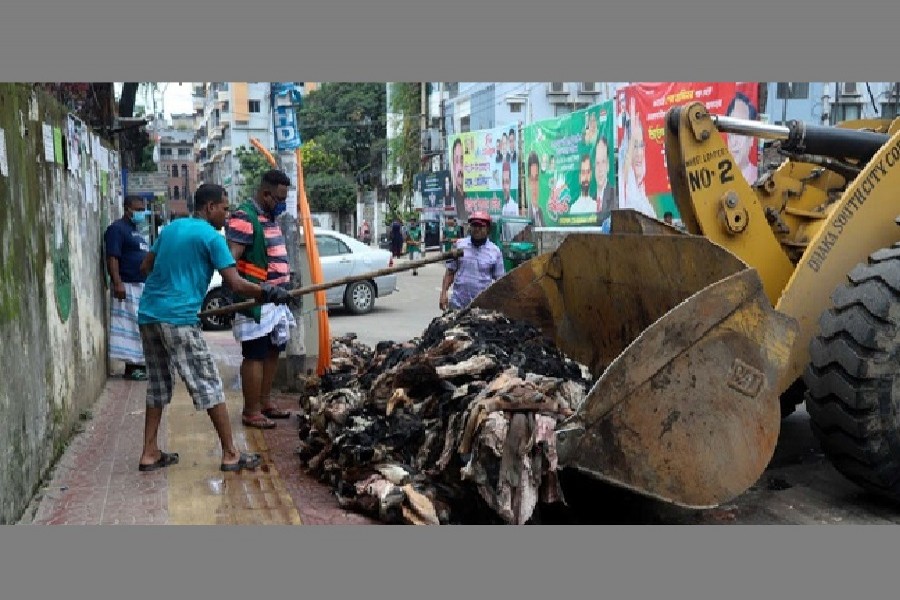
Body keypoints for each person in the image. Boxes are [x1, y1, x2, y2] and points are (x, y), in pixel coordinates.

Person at [136, 183, 292, 473]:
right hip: (178, 319)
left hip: (148, 316)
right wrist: (268, 292)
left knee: (157, 384)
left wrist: (171, 280)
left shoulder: (170, 229)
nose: (227, 213)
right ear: (209, 207)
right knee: (209, 384)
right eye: (224, 207)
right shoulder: (212, 237)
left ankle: (149, 452)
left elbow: (146, 266)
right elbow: (235, 284)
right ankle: (231, 454)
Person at [225, 169, 296, 430]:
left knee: (272, 350)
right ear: (265, 194)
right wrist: (257, 289)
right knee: (254, 353)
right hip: (255, 300)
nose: (282, 204)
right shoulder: (245, 217)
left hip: (275, 300)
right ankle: (251, 411)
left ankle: (265, 403)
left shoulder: (268, 216)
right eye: (279, 198)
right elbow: (231, 261)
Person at [104, 195, 151, 381]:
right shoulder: (117, 229)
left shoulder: (136, 231)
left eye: (142, 209)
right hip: (127, 285)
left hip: (141, 285)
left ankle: (139, 364)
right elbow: (112, 257)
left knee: (138, 326)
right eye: (137, 209)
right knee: (130, 327)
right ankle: (132, 368)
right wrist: (117, 282)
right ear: (127, 209)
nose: (140, 213)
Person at [439, 211, 505, 311]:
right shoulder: (460, 245)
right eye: (474, 225)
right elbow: (450, 272)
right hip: (458, 304)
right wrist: (443, 293)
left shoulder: (495, 252)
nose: (477, 229)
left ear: (488, 229)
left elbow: (500, 281)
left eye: (481, 226)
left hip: (482, 307)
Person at [620, 97, 656, 218]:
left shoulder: (643, 196)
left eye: (641, 145)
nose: (639, 153)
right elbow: (625, 166)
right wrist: (631, 140)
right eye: (635, 146)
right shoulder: (626, 179)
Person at [726, 91, 759, 184]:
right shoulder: (717, 180)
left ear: (751, 138)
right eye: (731, 134)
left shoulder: (759, 180)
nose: (734, 142)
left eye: (739, 133)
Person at [594, 136, 616, 216]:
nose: (600, 169)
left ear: (608, 165)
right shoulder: (591, 200)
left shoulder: (614, 196)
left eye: (603, 162)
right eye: (597, 163)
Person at [526, 151, 545, 227]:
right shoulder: (526, 213)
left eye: (536, 179)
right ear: (528, 182)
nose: (534, 186)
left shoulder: (540, 212)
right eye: (531, 179)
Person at [451, 137, 467, 217]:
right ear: (453, 166)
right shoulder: (452, 198)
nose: (460, 167)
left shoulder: (469, 195)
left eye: (462, 160)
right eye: (456, 161)